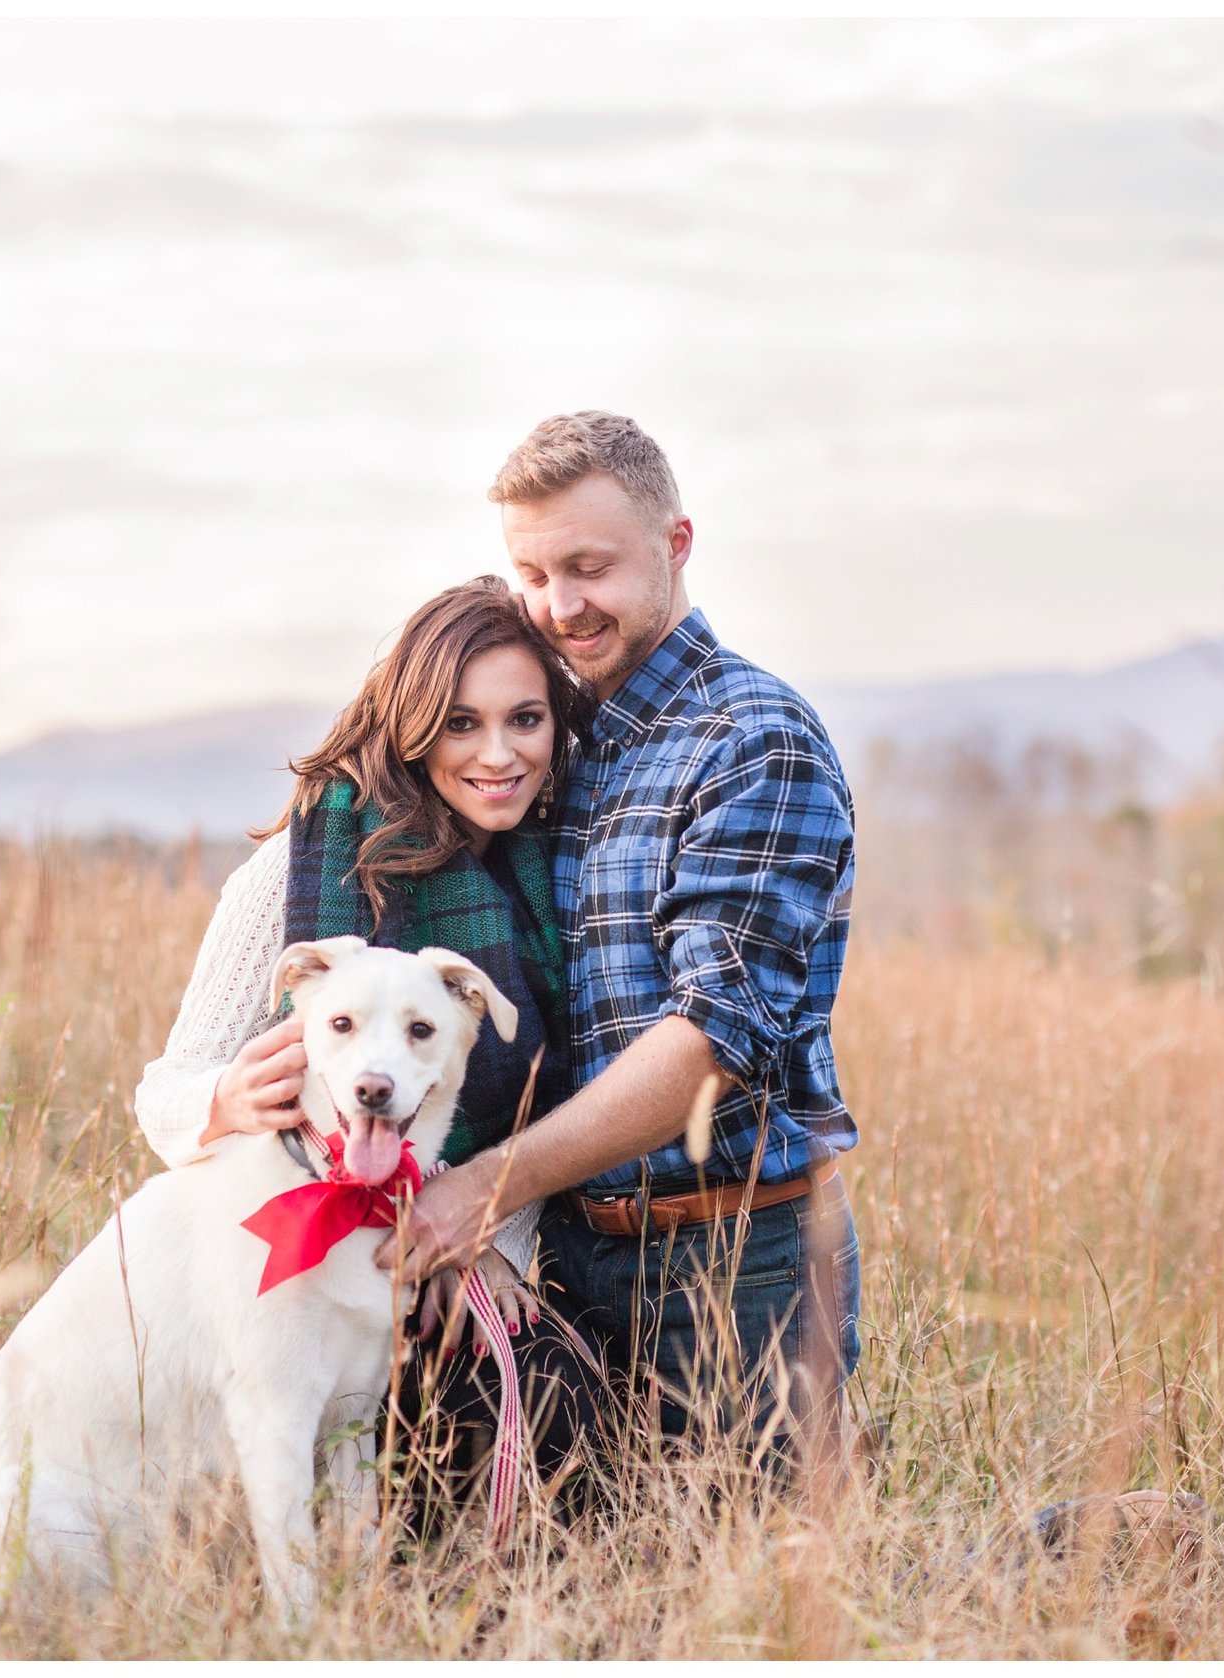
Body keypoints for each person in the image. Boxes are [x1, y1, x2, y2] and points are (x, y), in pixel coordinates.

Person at [377, 411, 862, 1464]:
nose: (559, 606)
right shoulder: (556, 739)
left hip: (733, 1260)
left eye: (588, 566)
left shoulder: (752, 743)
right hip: (565, 1258)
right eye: (532, 573)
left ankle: (1115, 1547)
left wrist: (489, 1182)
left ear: (676, 542)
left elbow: (711, 1042)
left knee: (759, 1601)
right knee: (603, 1585)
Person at [132, 577, 608, 1532]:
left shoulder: (551, 873)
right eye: (461, 724)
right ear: (412, 725)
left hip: (449, 1274)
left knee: (564, 1414)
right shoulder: (299, 873)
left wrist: (488, 1249)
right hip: (296, 1283)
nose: (498, 753)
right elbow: (164, 1096)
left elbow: (518, 1108)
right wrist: (223, 1098)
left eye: (526, 719)